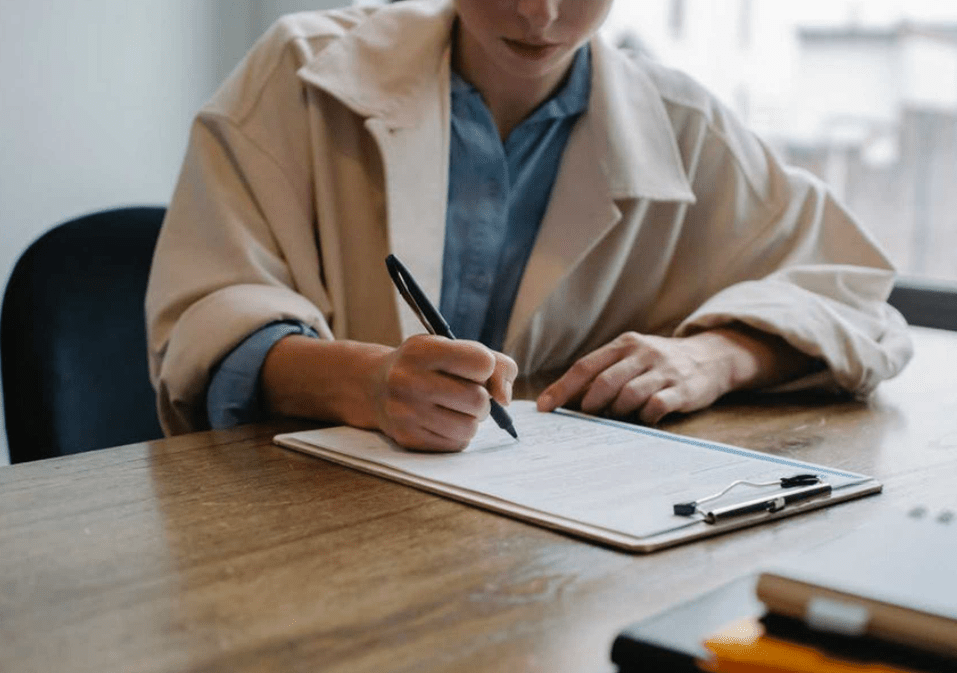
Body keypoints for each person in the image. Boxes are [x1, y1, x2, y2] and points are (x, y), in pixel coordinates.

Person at [145, 0, 913, 452]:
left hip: (558, 546)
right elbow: (207, 320)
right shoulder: (298, 72)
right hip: (306, 530)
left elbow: (856, 299)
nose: (539, 16)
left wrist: (716, 356)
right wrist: (366, 384)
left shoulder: (685, 127)